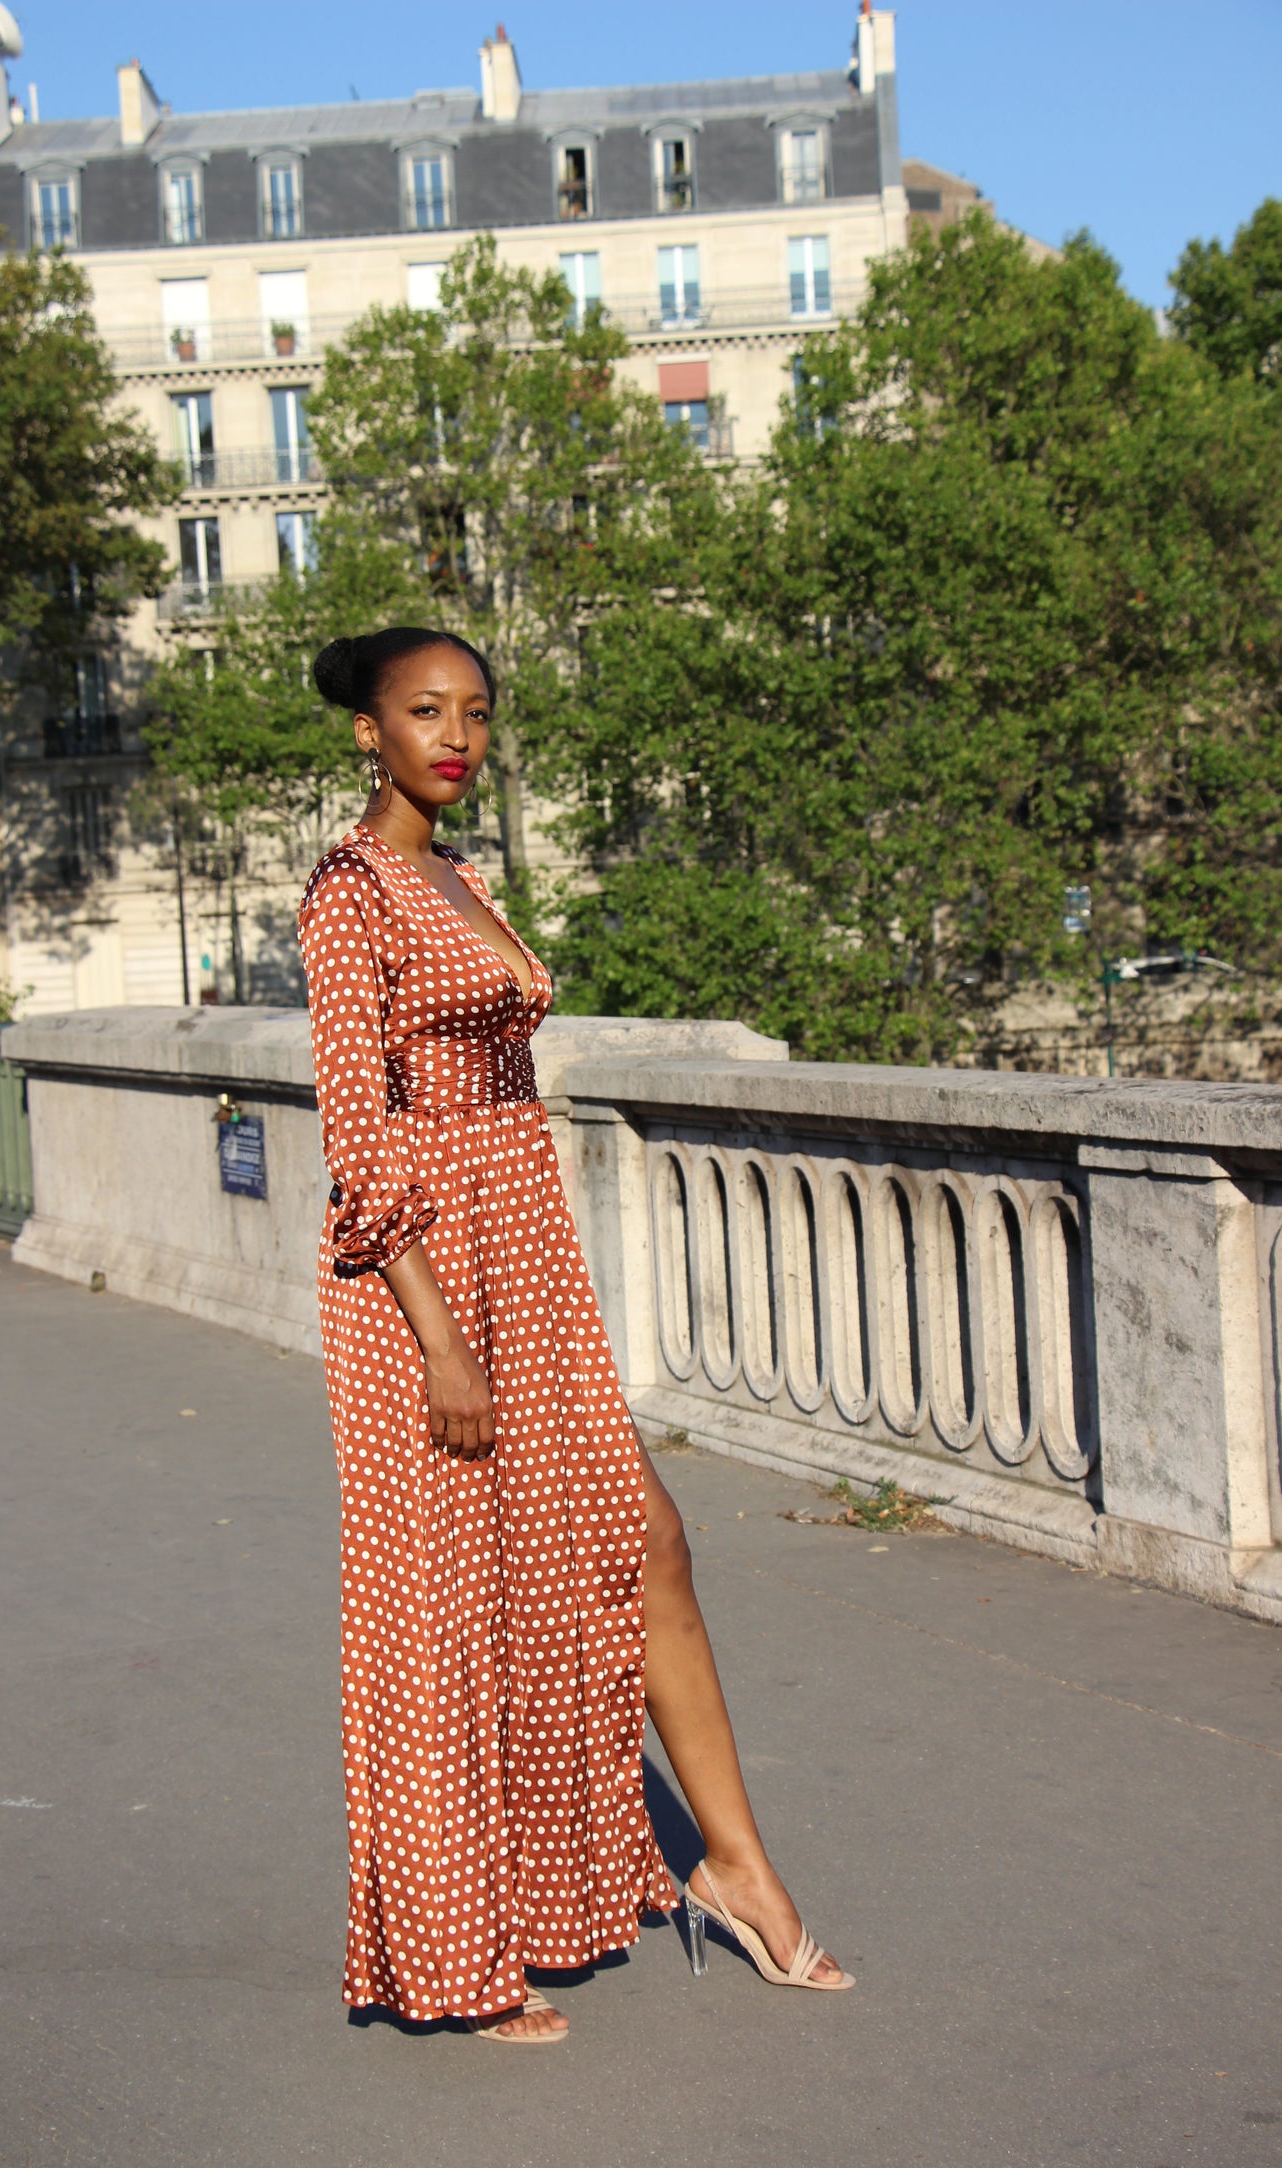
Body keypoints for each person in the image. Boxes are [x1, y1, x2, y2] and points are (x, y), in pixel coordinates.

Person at [298, 625, 854, 2043]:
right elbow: (359, 1139)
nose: (455, 736)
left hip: (521, 1255)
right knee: (445, 1609)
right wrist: (437, 1338)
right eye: (424, 712)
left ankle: (732, 1868)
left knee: (635, 1542)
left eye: (474, 713)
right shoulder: (348, 893)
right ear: (369, 732)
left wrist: (524, 1287)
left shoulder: (458, 877)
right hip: (421, 1276)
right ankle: (455, 1957)